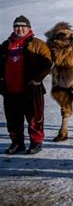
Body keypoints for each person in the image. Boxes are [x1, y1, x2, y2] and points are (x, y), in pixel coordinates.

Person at [0, 15, 52, 155]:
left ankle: (36, 142)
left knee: (34, 118)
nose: (20, 29)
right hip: (10, 89)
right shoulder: (6, 45)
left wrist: (37, 79)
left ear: (29, 28)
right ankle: (17, 143)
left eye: (23, 26)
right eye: (17, 26)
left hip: (31, 89)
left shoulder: (37, 44)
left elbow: (47, 63)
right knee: (13, 119)